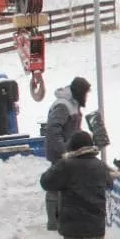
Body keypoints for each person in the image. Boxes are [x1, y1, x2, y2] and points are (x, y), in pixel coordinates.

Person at [42, 76, 91, 230]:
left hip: (70, 153)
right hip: (60, 154)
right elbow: (52, 130)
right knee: (55, 185)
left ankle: (61, 218)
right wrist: (63, 151)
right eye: (85, 94)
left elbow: (73, 129)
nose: (86, 97)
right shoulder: (63, 106)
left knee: (65, 185)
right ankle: (53, 222)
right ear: (78, 92)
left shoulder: (73, 103)